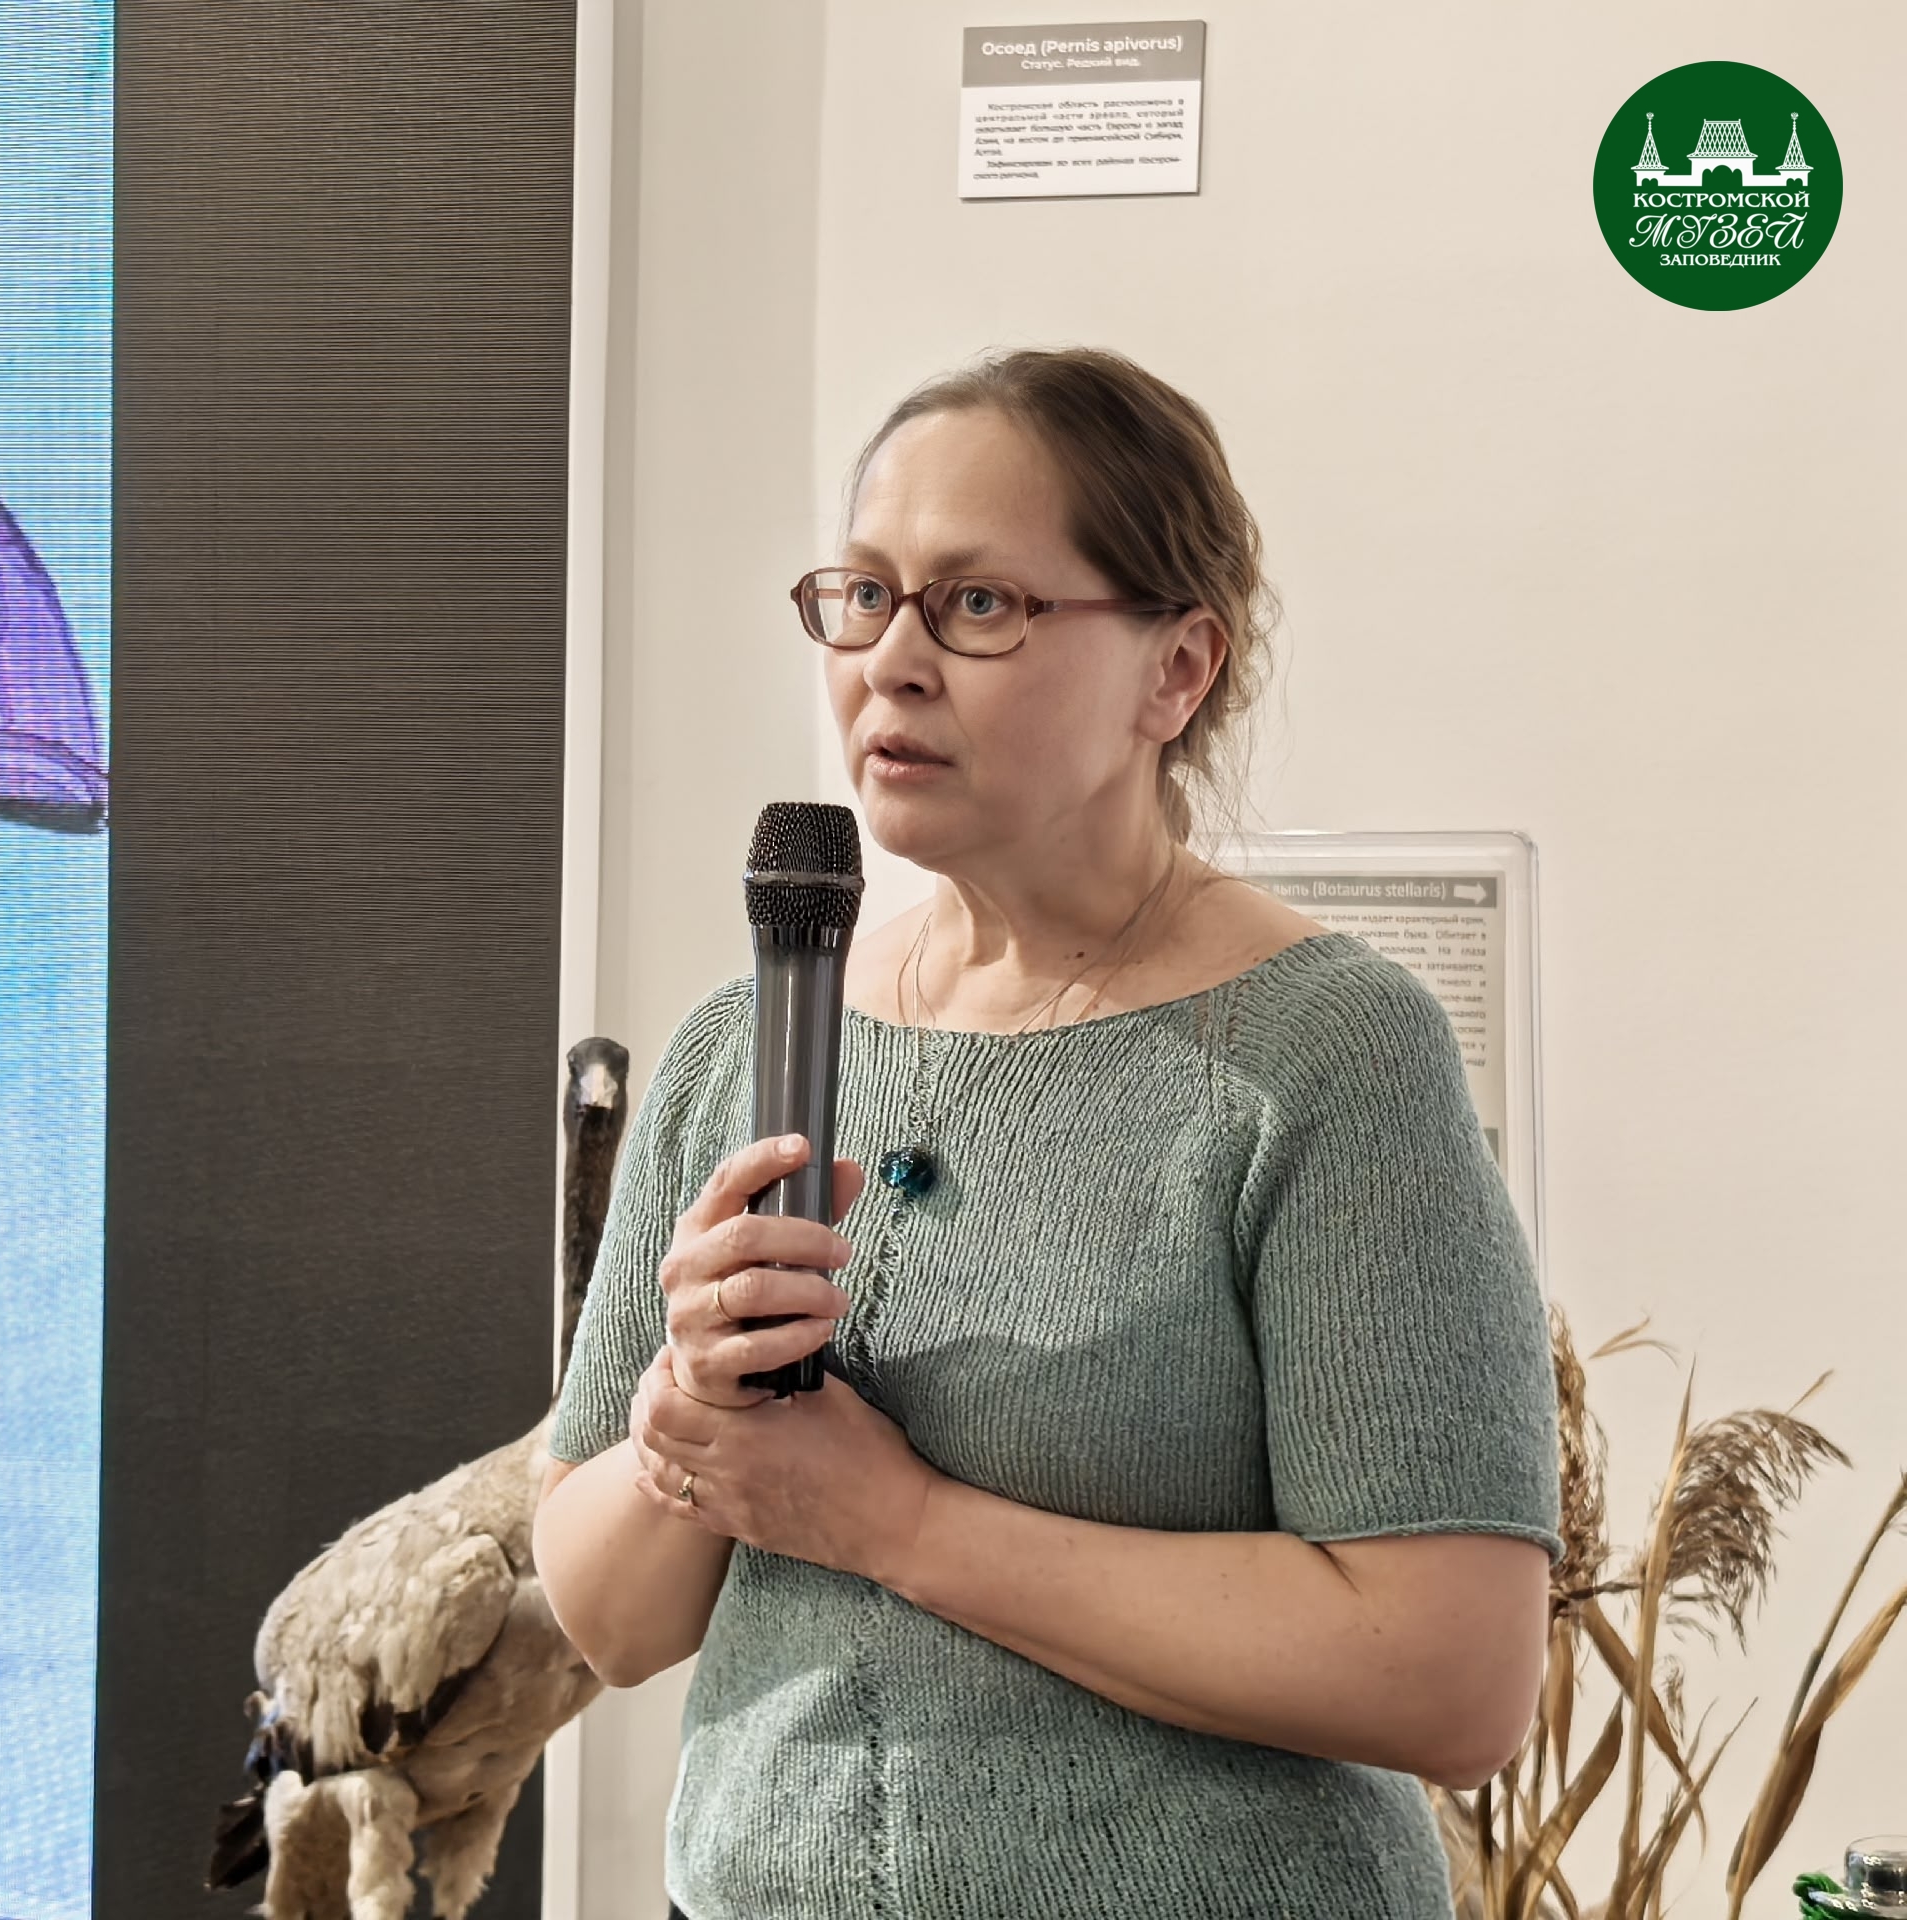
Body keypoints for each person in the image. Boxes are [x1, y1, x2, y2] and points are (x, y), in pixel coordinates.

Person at [531, 346, 1562, 1919]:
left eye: (980, 603)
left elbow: (1451, 1676)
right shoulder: (742, 1041)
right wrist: (686, 1401)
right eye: (863, 596)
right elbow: (609, 1622)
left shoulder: (1327, 1059)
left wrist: (901, 1524)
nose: (894, 662)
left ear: (1176, 671)